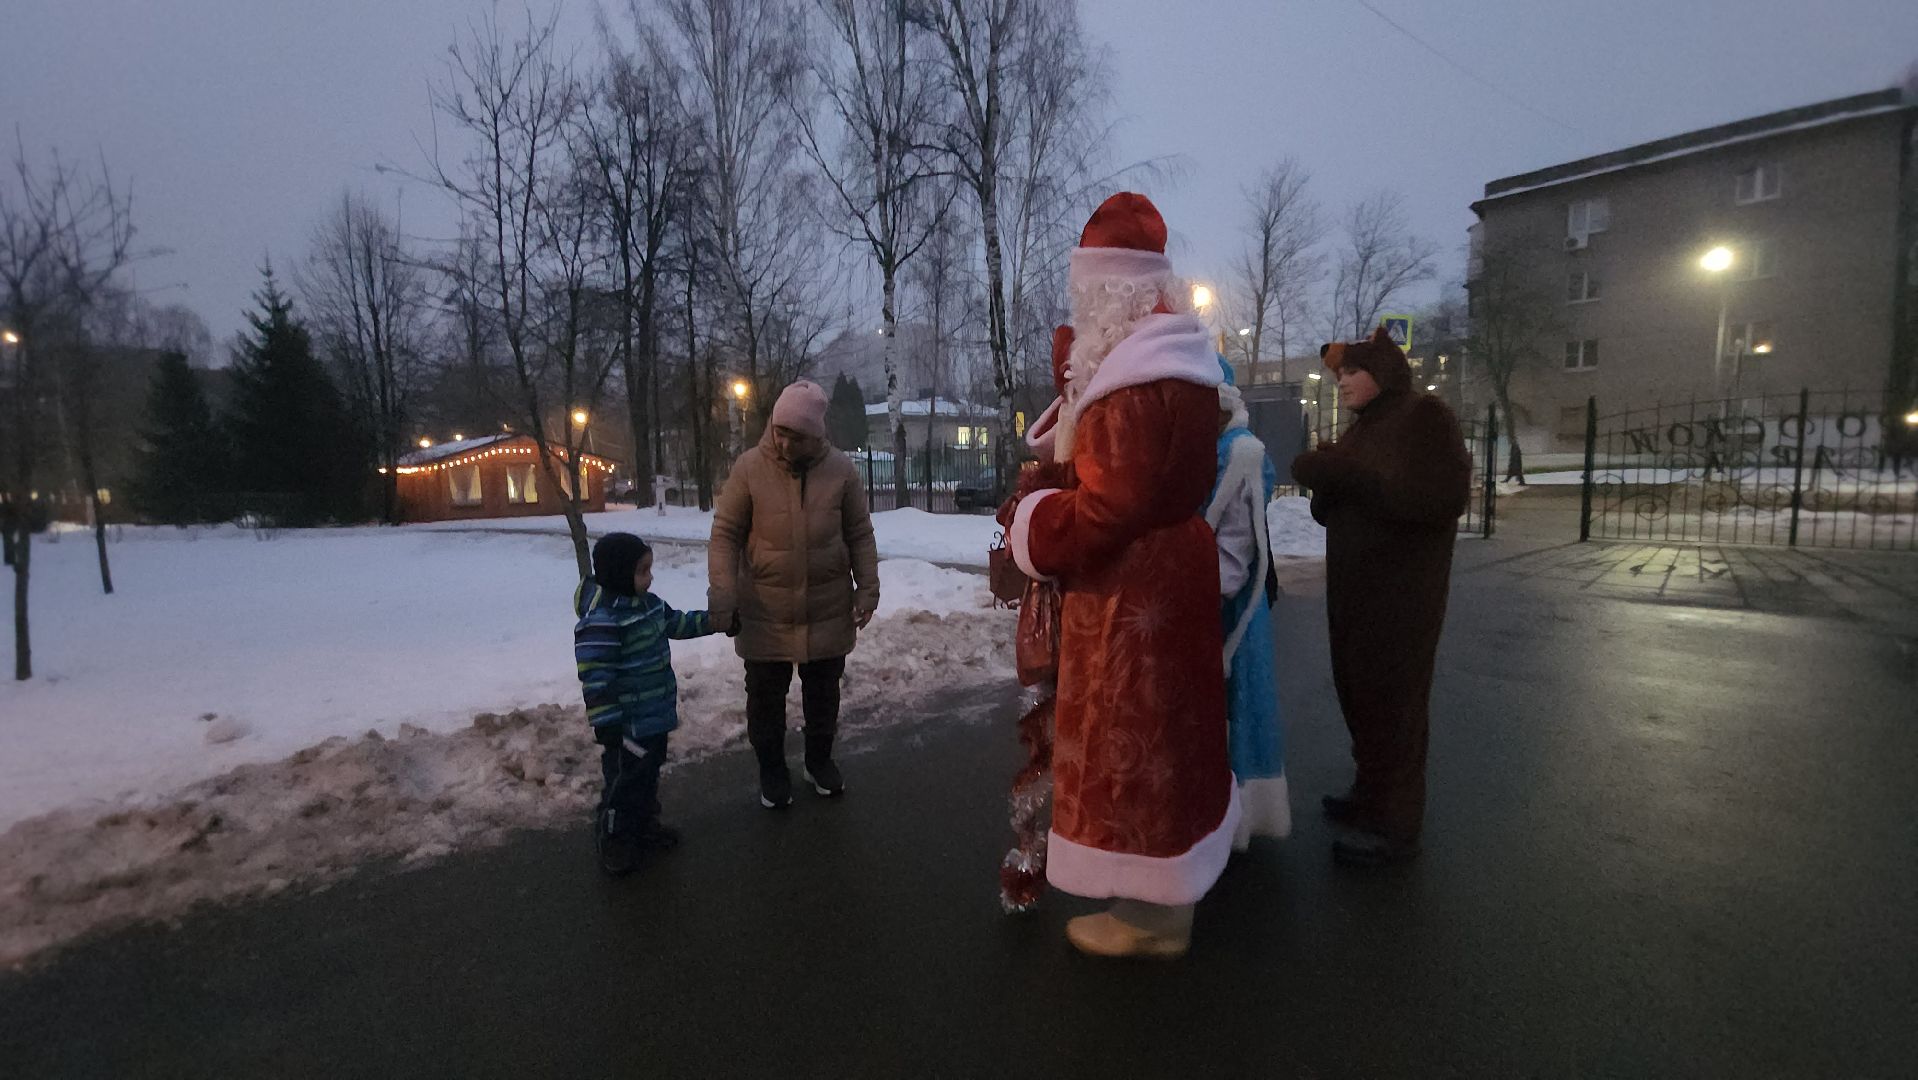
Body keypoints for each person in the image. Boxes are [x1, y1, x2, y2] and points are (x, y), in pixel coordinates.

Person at [1007, 192, 1236, 959]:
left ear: (1109, 289)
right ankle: (1171, 897)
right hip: (1174, 577)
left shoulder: (1135, 378)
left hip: (1132, 591)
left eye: (1085, 291)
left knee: (1134, 739)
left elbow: (1110, 505)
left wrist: (1033, 525)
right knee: (1178, 736)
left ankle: (1149, 917)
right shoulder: (1179, 361)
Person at [1290, 327, 1471, 867]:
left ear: (1383, 374)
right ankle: (1369, 797)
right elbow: (1336, 507)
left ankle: (1396, 826)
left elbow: (1438, 498)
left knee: (1395, 701)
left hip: (1402, 593)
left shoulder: (1424, 417)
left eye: (1352, 373)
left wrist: (1344, 473)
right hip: (1354, 587)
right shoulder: (1364, 428)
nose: (1341, 382)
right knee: (1359, 691)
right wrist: (1328, 482)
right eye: (1339, 374)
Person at [708, 380, 880, 810]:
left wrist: (868, 589)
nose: (784, 442)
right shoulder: (749, 468)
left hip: (826, 606)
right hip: (764, 608)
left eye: (795, 436)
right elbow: (725, 535)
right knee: (765, 699)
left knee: (823, 695)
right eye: (779, 430)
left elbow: (860, 533)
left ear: (816, 435)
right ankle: (772, 769)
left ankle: (818, 761)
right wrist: (723, 593)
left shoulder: (841, 470)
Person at [574, 533, 729, 877]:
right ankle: (614, 835)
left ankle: (643, 825)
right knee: (624, 781)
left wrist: (717, 622)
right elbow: (595, 675)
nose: (650, 577)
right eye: (642, 571)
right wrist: (605, 720)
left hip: (655, 716)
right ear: (618, 574)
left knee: (647, 776)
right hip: (626, 725)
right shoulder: (603, 620)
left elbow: (678, 623)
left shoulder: (650, 605)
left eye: (650, 569)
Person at [1207, 358, 1291, 850]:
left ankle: (1235, 820)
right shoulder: (1216, 447)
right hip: (1215, 597)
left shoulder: (1239, 453)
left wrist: (1195, 594)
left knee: (1235, 705)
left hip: (1230, 606)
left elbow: (1236, 549)